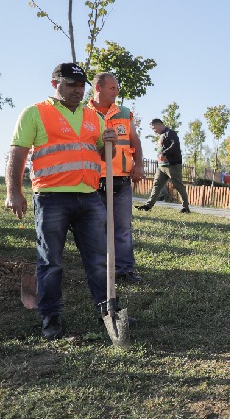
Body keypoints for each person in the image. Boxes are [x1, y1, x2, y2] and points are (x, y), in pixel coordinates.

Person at [5, 62, 121, 340]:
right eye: (71, 85)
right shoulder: (35, 113)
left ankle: (108, 311)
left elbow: (105, 155)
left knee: (98, 260)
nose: (77, 91)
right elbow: (17, 153)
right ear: (54, 83)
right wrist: (13, 192)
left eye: (81, 86)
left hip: (89, 198)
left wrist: (111, 142)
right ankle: (51, 317)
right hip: (51, 198)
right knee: (51, 261)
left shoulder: (93, 117)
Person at [88, 72, 143, 283]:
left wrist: (138, 165)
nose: (116, 92)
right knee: (97, 228)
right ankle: (100, 270)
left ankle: (125, 270)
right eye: (112, 88)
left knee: (122, 228)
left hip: (120, 180)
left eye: (117, 88)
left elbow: (134, 141)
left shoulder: (124, 113)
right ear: (98, 88)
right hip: (94, 180)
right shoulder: (85, 114)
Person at [135, 118, 190, 213]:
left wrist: (164, 153)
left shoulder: (170, 133)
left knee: (178, 186)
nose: (154, 130)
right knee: (156, 185)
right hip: (161, 166)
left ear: (159, 124)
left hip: (172, 165)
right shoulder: (161, 136)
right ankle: (148, 206)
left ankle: (185, 207)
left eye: (154, 128)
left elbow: (175, 144)